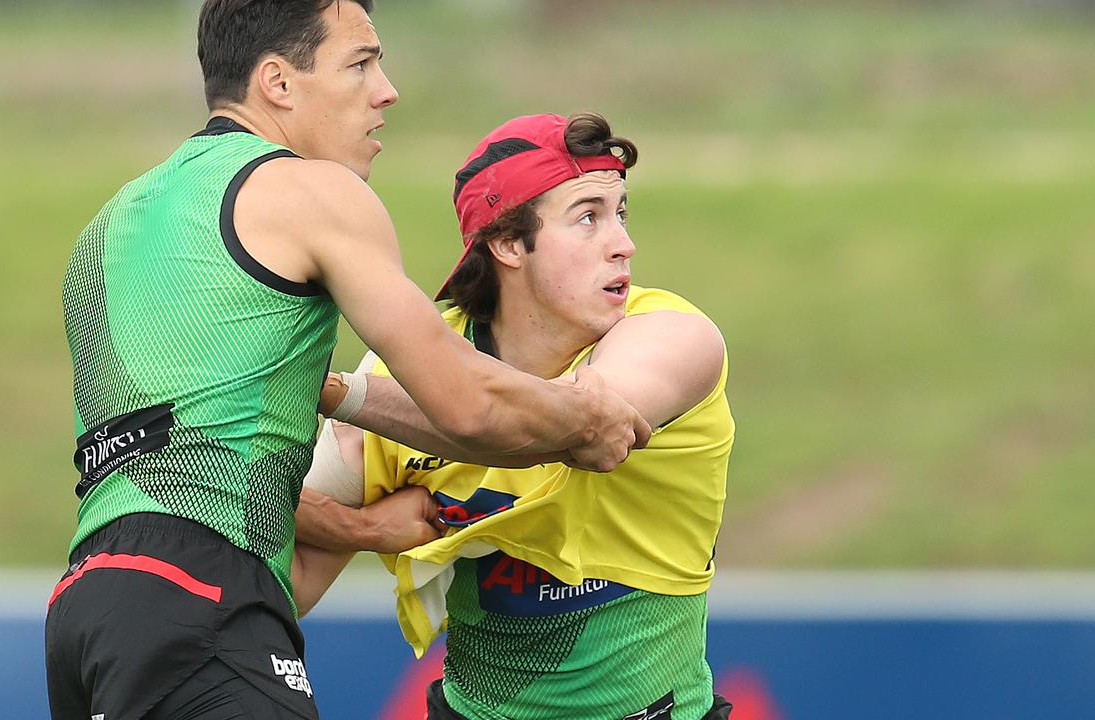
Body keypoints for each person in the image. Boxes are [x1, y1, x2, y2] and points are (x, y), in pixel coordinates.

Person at [45, 2, 652, 719]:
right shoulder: (314, 192)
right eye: (360, 64)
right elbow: (466, 403)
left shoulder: (111, 223)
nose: (386, 89)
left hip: (86, 607)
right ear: (277, 82)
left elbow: (184, 468)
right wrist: (585, 418)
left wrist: (365, 529)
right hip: (204, 599)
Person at [295, 112, 735, 720]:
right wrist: (363, 531)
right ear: (507, 244)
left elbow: (576, 428)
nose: (623, 243)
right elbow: (285, 568)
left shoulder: (676, 338)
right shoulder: (403, 373)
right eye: (588, 218)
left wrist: (332, 390)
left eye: (621, 213)